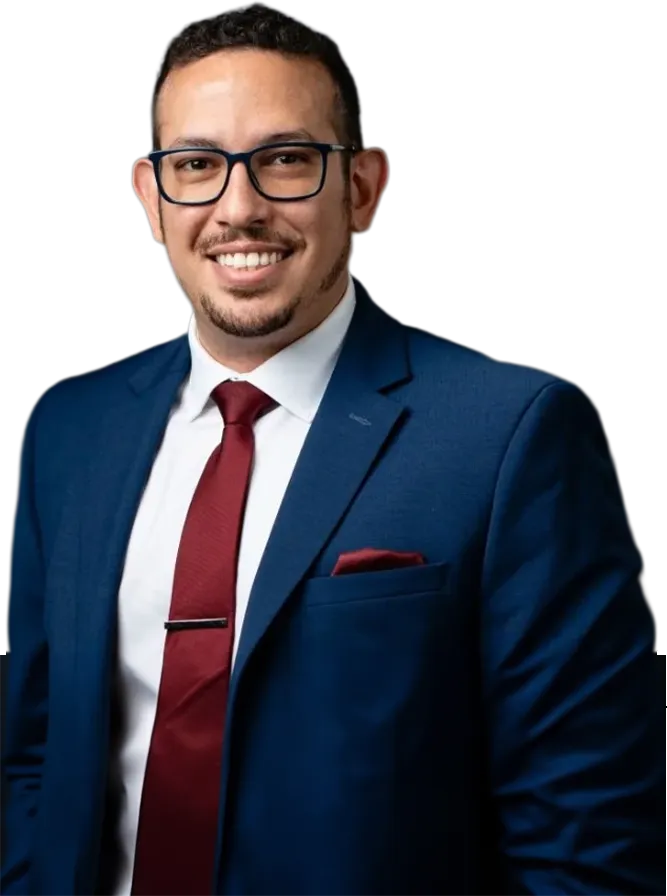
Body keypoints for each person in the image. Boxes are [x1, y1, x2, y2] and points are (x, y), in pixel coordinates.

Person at [2, 4, 665, 895]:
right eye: (196, 165)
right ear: (152, 200)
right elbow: (34, 755)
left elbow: (584, 831)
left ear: (360, 188)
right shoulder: (70, 430)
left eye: (285, 159)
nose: (239, 208)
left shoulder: (509, 435)